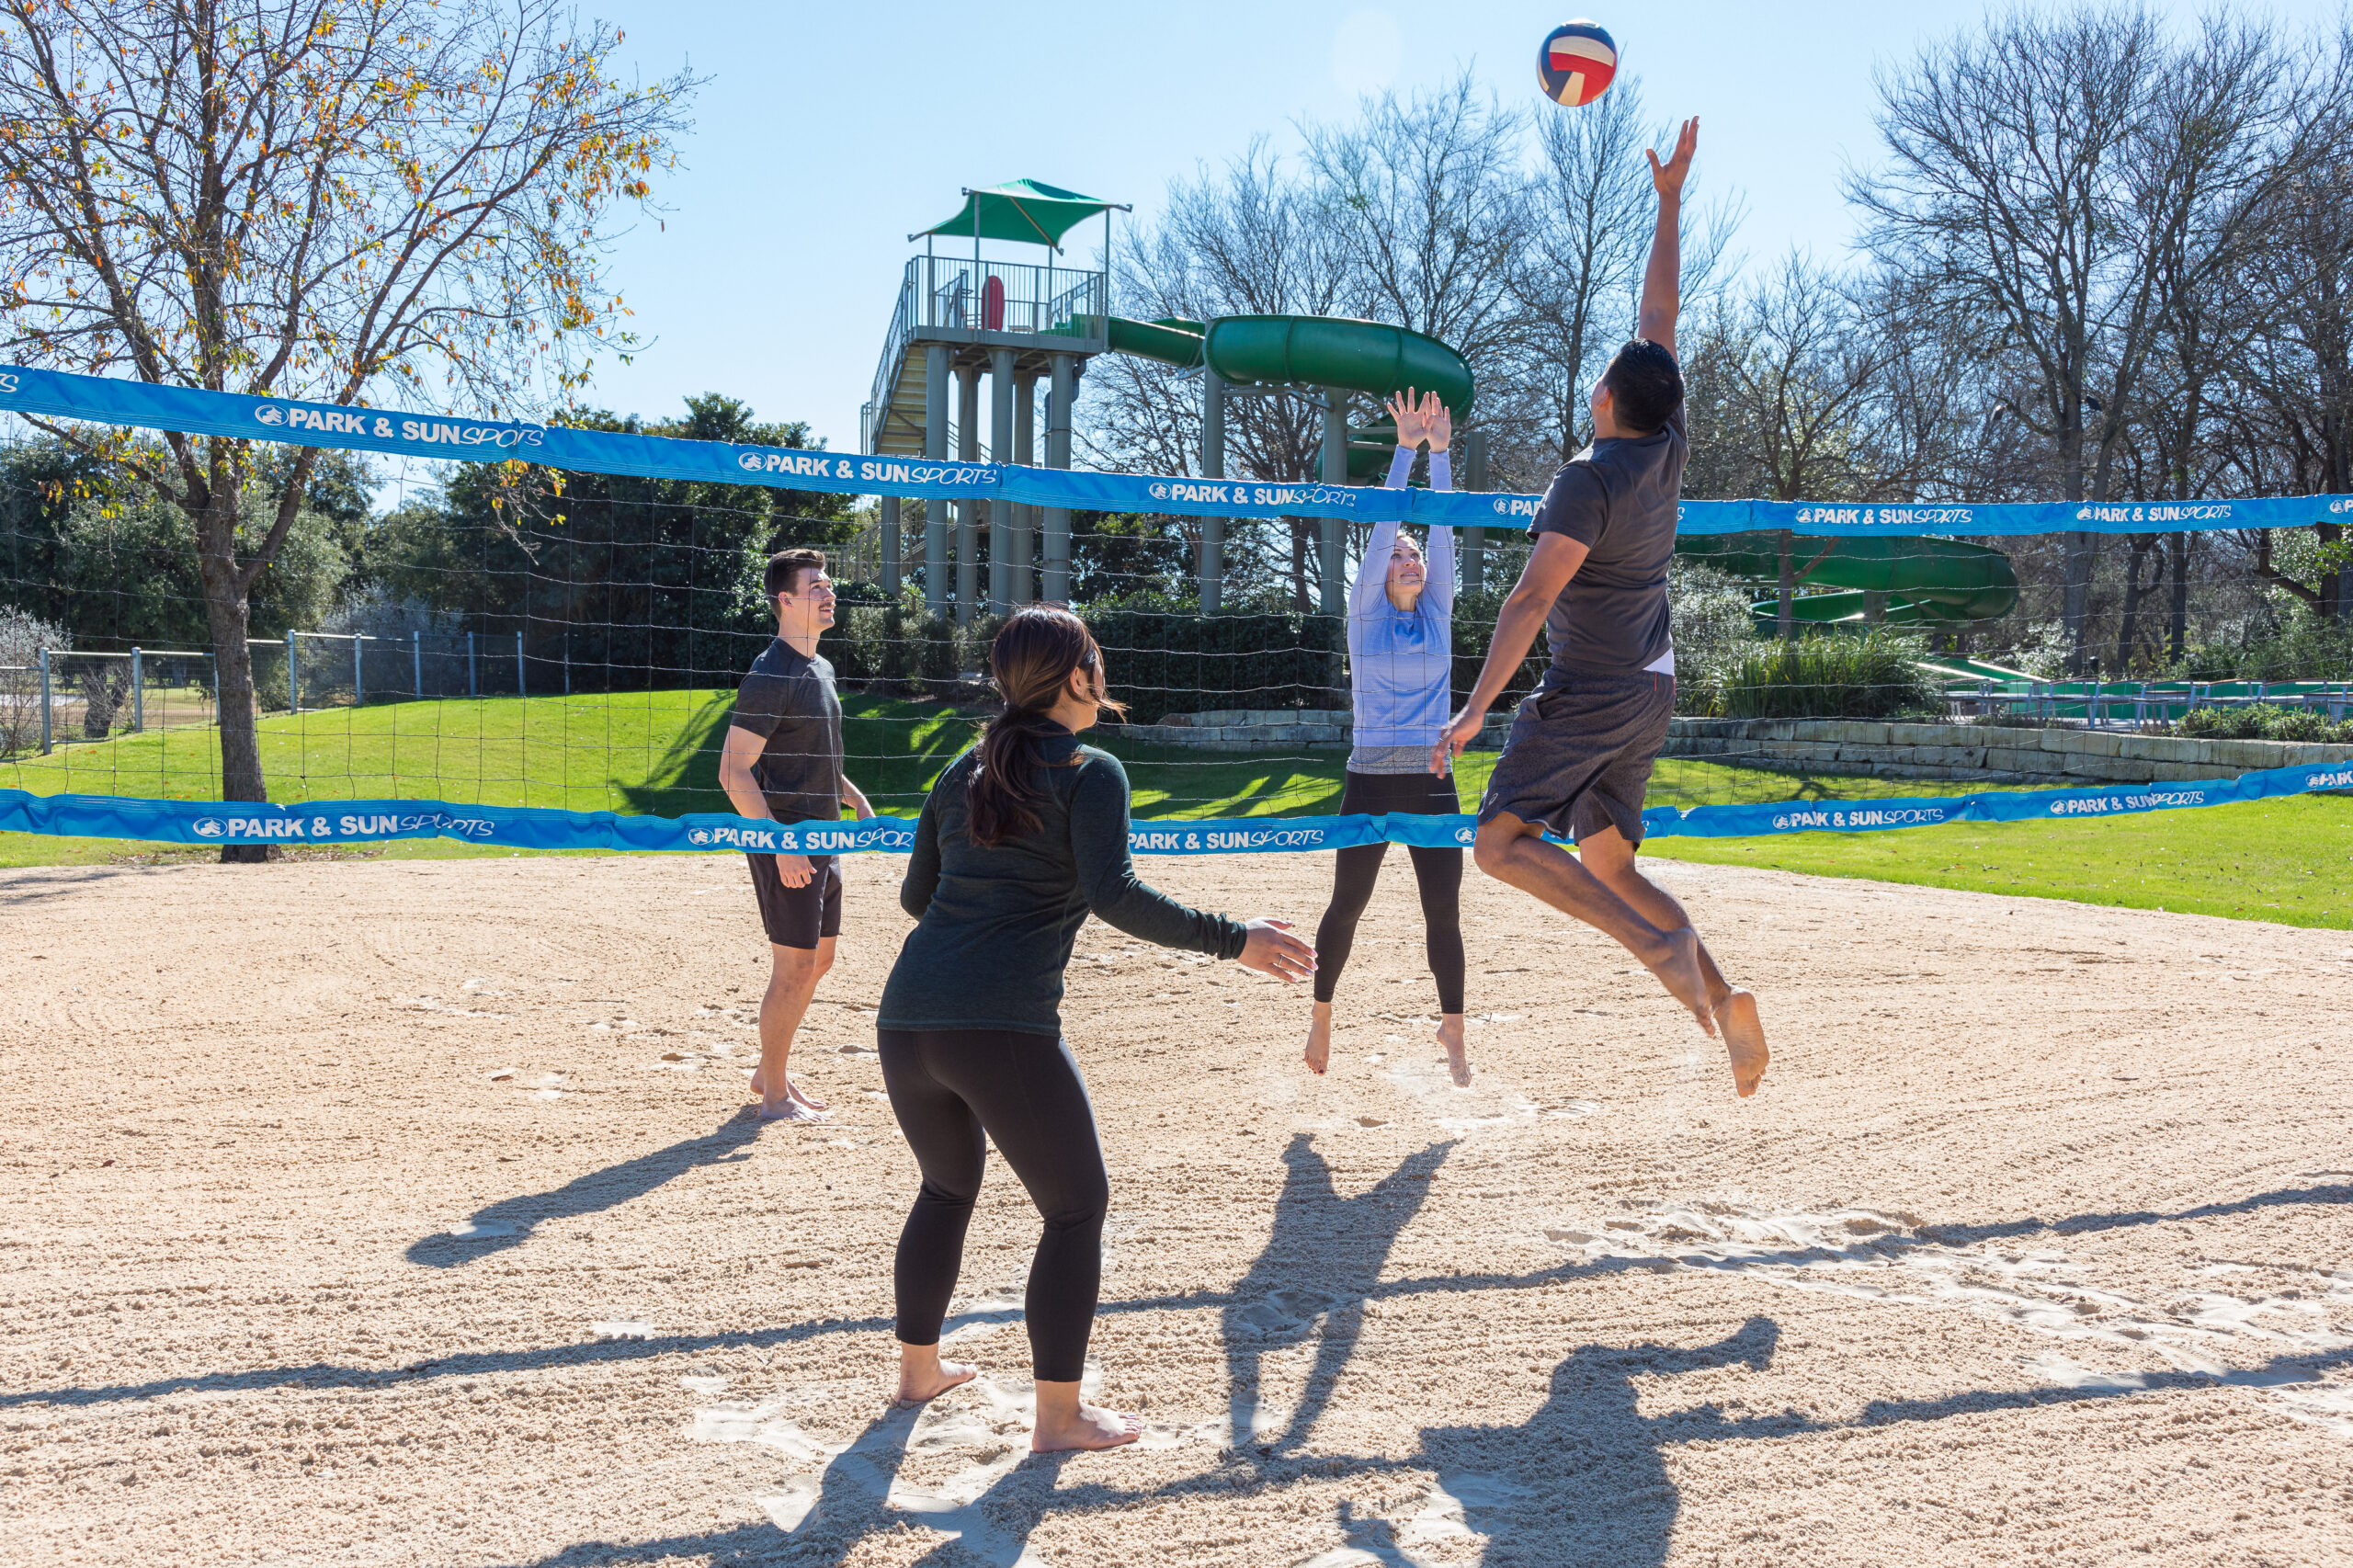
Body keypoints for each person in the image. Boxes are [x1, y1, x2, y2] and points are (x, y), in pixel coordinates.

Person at [876, 606, 1317, 1451]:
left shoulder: (963, 768)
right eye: (1094, 657)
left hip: (906, 1018)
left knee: (945, 1189)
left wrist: (987, 917)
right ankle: (1058, 1418)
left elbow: (912, 899)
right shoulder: (1091, 769)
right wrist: (1239, 940)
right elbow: (1115, 895)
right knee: (1078, 1210)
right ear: (1077, 678)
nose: (1102, 667)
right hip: (997, 1025)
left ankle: (917, 1373)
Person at [1432, 118, 1769, 1097]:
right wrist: (1667, 200)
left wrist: (1478, 705)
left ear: (1607, 398)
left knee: (1496, 842)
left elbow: (1532, 596)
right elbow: (1659, 315)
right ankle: (1722, 1002)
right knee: (1610, 861)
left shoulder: (1589, 476)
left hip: (1595, 685)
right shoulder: (1662, 444)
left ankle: (1659, 955)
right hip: (1650, 685)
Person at [1304, 388, 1471, 1086]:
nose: (1409, 560)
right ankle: (1321, 1016)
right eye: (1398, 556)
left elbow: (1440, 529)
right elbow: (1382, 531)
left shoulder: (1437, 610)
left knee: (1445, 914)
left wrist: (1441, 457)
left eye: (1414, 556)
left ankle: (1454, 1030)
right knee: (1347, 906)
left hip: (1434, 781)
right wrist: (1402, 453)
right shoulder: (1366, 619)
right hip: (1370, 778)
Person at [718, 548, 876, 1122]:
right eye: (816, 586)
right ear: (785, 600)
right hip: (784, 840)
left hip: (823, 836)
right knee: (794, 968)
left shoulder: (820, 669)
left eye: (829, 583)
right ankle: (776, 1095)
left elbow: (815, 754)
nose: (828, 593)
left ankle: (769, 1069)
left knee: (820, 960)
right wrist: (782, 842)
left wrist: (854, 800)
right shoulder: (770, 673)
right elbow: (732, 772)